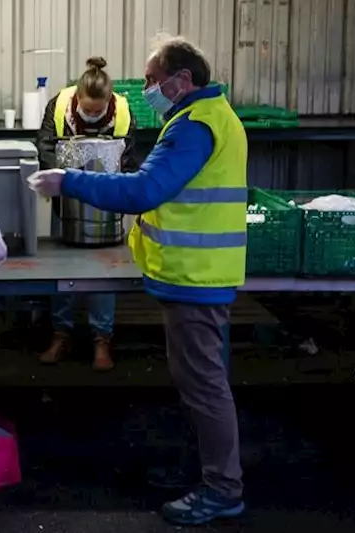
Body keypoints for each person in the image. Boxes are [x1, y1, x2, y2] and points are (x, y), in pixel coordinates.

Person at [30, 36, 247, 526]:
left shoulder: (194, 127)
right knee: (196, 385)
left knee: (205, 387)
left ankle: (221, 489)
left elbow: (145, 188)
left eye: (152, 79)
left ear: (183, 80)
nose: (147, 88)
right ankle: (207, 473)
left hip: (197, 279)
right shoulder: (206, 117)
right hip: (192, 275)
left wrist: (68, 180)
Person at [35, 56, 136, 372]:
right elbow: (45, 147)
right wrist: (67, 181)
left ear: (108, 101)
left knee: (104, 269)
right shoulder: (59, 104)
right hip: (67, 199)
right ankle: (61, 333)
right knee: (61, 267)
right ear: (77, 97)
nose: (91, 114)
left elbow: (129, 158)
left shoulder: (122, 112)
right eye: (87, 109)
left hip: (106, 202)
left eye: (97, 110)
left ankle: (101, 339)